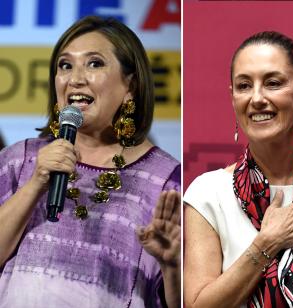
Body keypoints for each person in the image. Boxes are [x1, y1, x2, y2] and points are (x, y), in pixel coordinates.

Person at [0, 16, 181, 307]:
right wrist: (35, 183)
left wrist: (173, 267)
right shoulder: (18, 161)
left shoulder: (166, 180)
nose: (75, 78)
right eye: (65, 65)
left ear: (130, 86)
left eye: (94, 63)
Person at [183, 31, 293, 308]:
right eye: (244, 86)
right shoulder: (207, 194)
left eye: (273, 83)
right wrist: (267, 244)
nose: (256, 98)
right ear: (232, 97)